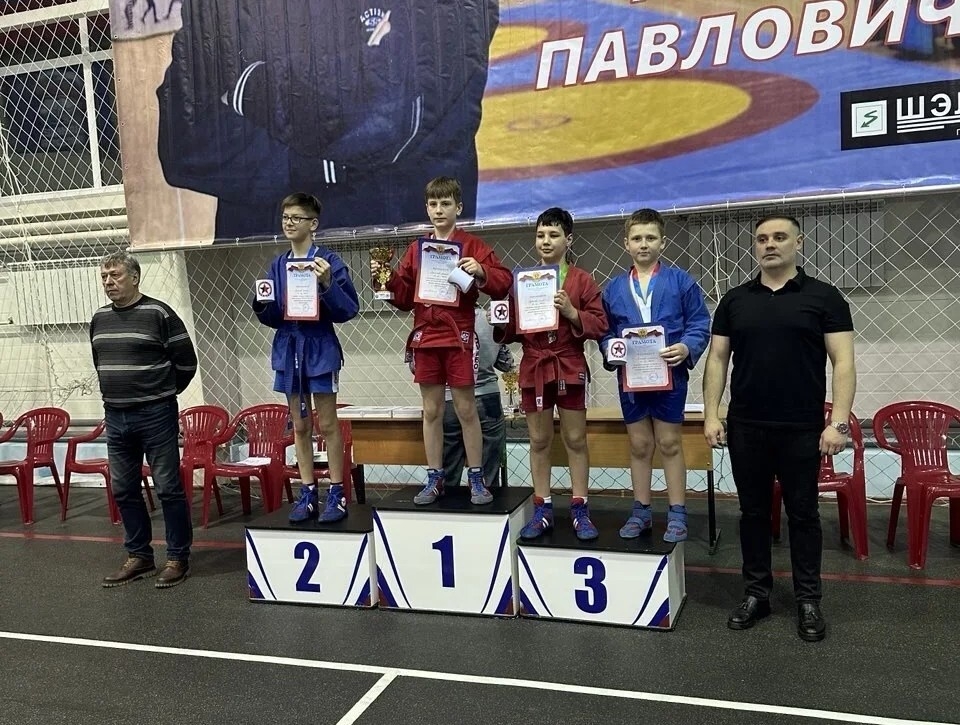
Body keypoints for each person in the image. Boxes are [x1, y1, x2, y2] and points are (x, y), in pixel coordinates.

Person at [157, 0, 499, 239]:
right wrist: (314, 161)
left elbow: (392, 116)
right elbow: (183, 139)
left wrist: (249, 87)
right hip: (262, 262)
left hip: (392, 255)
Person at [702, 214, 856, 643]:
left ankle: (808, 599)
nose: (769, 244)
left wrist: (838, 423)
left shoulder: (824, 297)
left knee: (803, 515)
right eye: (762, 238)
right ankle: (757, 594)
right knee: (752, 514)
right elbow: (717, 360)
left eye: (779, 237)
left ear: (798, 243)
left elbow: (843, 362)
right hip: (747, 427)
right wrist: (711, 414)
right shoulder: (734, 301)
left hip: (802, 429)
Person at [372, 176, 512, 505]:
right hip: (426, 335)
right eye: (433, 204)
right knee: (432, 410)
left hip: (459, 335)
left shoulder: (473, 245)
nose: (439, 210)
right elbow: (404, 297)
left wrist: (481, 270)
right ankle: (435, 477)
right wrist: (385, 278)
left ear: (458, 208)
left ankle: (476, 477)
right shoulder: (416, 249)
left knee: (466, 408)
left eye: (446, 203)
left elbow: (504, 281)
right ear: (426, 208)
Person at [492, 208, 608, 540]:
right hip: (534, 366)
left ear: (568, 240)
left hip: (568, 364)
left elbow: (600, 324)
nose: (546, 241)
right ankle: (542, 508)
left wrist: (572, 312)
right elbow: (511, 331)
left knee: (575, 439)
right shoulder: (521, 282)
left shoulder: (582, 280)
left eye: (554, 235)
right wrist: (500, 320)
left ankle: (580, 508)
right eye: (541, 235)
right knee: (539, 440)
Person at [600, 208, 710, 543]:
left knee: (669, 443)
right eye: (637, 238)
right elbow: (605, 332)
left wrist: (687, 347)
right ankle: (641, 511)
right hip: (632, 379)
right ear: (626, 243)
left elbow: (699, 322)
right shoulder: (614, 288)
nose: (643, 244)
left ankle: (677, 512)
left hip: (669, 376)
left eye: (650, 237)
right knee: (639, 444)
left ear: (663, 241)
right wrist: (611, 349)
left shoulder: (681, 281)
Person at [91, 251, 198, 589]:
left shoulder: (159, 314)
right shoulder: (99, 318)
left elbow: (187, 363)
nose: (109, 282)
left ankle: (178, 558)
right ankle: (139, 556)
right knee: (123, 489)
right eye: (105, 276)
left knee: (168, 487)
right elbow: (100, 362)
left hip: (156, 414)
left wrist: (162, 393)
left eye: (116, 275)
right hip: (115, 415)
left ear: (135, 277)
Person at [252, 193, 360, 523]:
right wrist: (262, 302)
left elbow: (348, 309)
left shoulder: (329, 261)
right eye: (285, 217)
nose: (289, 223)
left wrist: (327, 283)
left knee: (327, 424)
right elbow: (273, 317)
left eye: (296, 218)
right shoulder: (277, 265)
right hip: (289, 349)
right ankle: (308, 491)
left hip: (320, 348)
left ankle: (337, 493)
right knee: (299, 425)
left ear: (313, 224)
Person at [442, 306, 515, 489]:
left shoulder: (438, 320)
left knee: (450, 465)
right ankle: (487, 498)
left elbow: (417, 367)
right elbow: (506, 364)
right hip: (487, 396)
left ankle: (447, 500)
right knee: (489, 465)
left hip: (450, 398)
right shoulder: (489, 318)